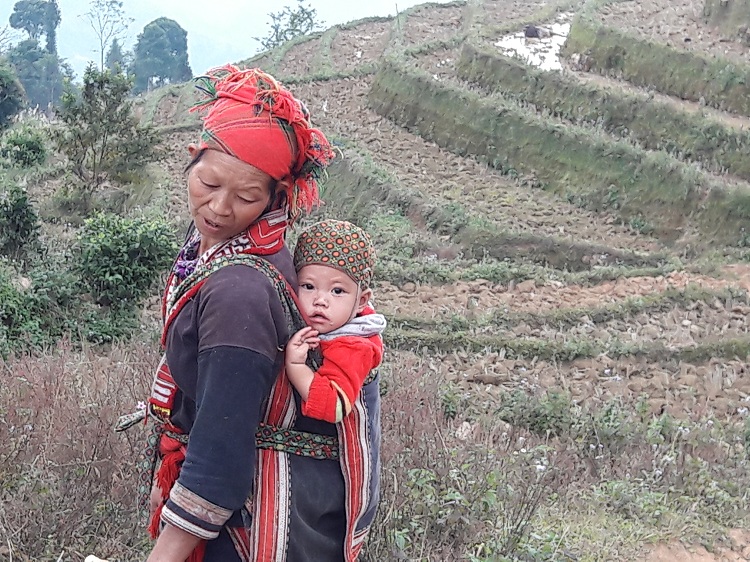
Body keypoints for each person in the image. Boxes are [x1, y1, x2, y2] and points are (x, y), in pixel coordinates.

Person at [132, 65, 379, 562]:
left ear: (274, 200)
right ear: (190, 160)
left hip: (242, 530)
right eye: (207, 183)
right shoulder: (219, 248)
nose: (219, 208)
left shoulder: (238, 293)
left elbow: (220, 457)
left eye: (246, 197)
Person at [285, 220, 386, 424]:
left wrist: (295, 365)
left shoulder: (355, 347)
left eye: (337, 291)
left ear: (361, 301)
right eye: (308, 286)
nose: (320, 300)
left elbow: (334, 406)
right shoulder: (332, 325)